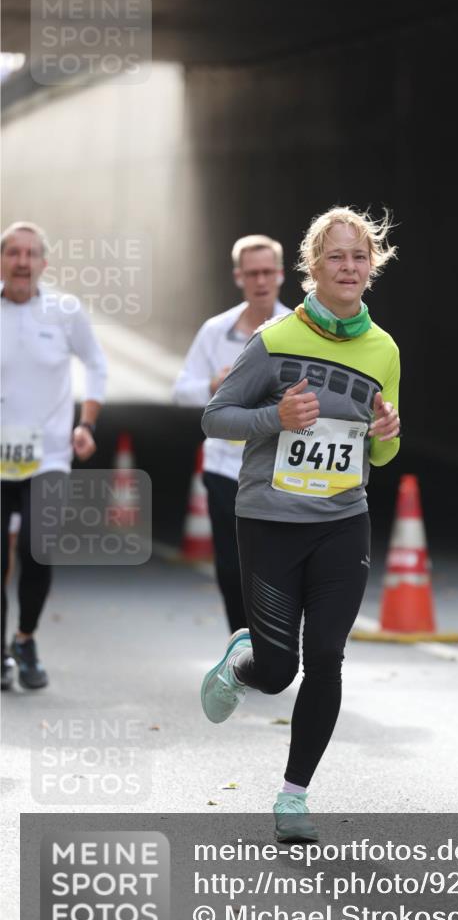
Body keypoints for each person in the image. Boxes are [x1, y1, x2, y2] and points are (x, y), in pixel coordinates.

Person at [200, 207, 401, 841]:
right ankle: (243, 661)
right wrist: (274, 418)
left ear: (373, 267)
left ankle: (293, 796)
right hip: (271, 520)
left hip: (343, 522)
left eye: (359, 257)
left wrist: (390, 434)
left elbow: (382, 450)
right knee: (279, 669)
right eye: (336, 257)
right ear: (312, 269)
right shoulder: (277, 340)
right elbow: (216, 416)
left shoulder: (384, 349)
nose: (349, 267)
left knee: (327, 658)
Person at [1, 221, 107, 691]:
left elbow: (97, 363)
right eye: (12, 252)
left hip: (49, 457)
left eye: (31, 254)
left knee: (36, 552)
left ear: (44, 263)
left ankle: (24, 639)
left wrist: (86, 423)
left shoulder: (64, 312)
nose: (22, 262)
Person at [173, 235, 291, 632]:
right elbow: (180, 392)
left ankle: (273, 639)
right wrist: (213, 385)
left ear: (280, 274)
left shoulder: (296, 330)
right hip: (226, 467)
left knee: (275, 562)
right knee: (231, 563)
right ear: (239, 277)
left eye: (267, 272)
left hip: (279, 469)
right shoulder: (215, 331)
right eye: (252, 273)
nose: (261, 281)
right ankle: (241, 643)